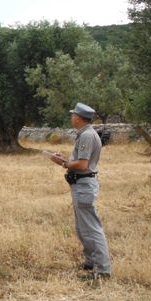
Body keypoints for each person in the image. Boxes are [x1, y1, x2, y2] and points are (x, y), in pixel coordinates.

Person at [49, 103, 112, 280]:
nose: (71, 118)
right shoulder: (87, 134)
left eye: (73, 115)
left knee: (91, 227)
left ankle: (103, 270)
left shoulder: (87, 136)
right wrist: (65, 160)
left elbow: (82, 165)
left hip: (84, 185)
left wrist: (62, 163)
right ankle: (91, 262)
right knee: (83, 226)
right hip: (82, 185)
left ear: (78, 117)